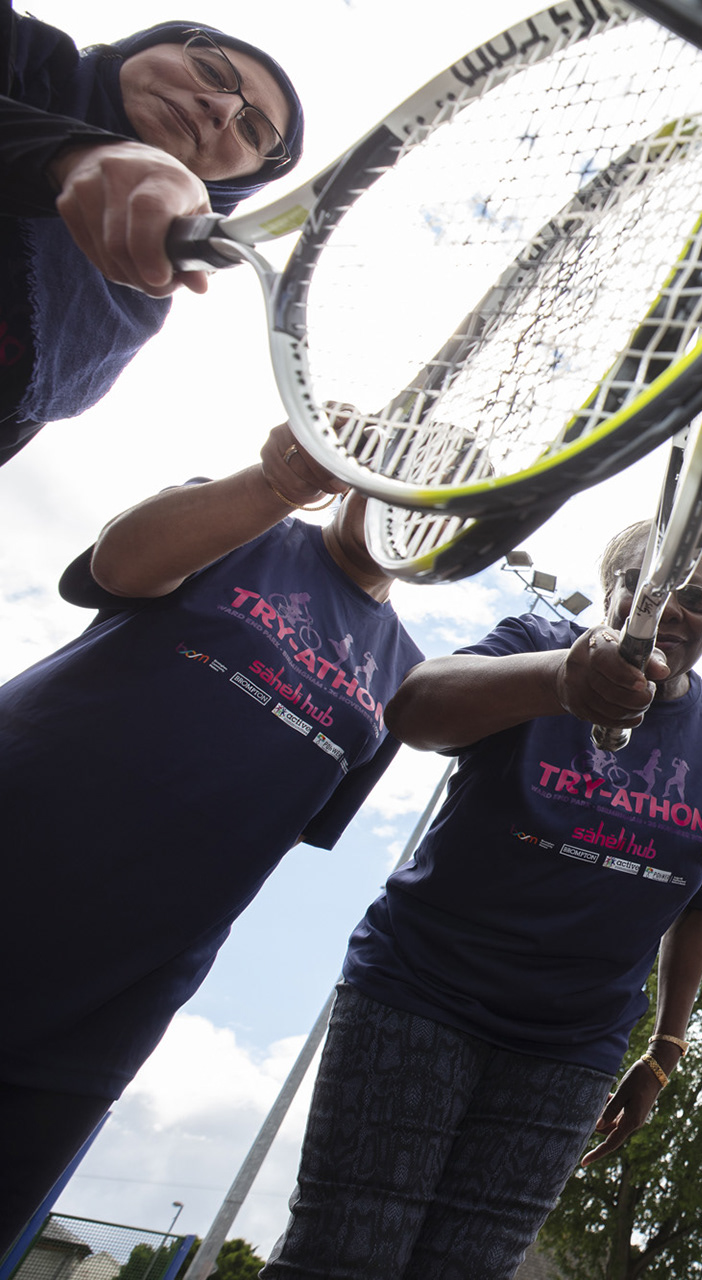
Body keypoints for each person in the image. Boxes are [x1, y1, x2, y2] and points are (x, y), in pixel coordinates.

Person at [260, 525, 702, 1280]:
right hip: (421, 996)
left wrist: (666, 1048)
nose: (672, 611)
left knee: (472, 1267)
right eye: (647, 586)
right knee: (344, 1254)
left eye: (698, 599)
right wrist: (557, 678)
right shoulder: (539, 640)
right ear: (611, 588)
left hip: (572, 1045)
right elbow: (415, 708)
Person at [0, 426, 418, 1251]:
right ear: (360, 468)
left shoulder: (404, 673)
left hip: (121, 985)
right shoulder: (241, 523)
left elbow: (294, 819)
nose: (414, 507)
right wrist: (275, 484)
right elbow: (119, 564)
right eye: (404, 476)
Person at [1, 14, 303, 462]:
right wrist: (69, 153)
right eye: (212, 71)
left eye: (253, 131)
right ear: (142, 47)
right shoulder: (17, 48)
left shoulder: (117, 322)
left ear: (233, 188)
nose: (223, 108)